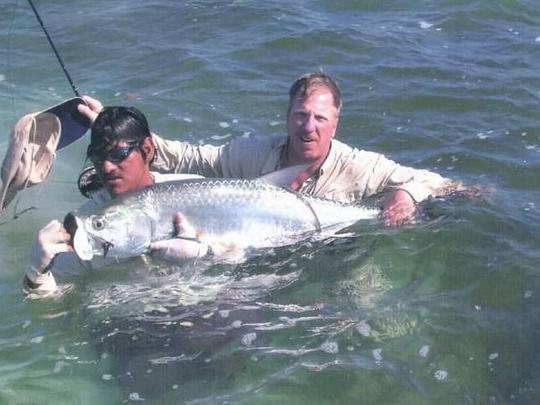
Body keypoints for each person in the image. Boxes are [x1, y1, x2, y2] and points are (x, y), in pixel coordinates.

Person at [79, 72, 464, 226]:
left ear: (335, 122)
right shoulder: (252, 154)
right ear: (288, 116)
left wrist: (407, 194)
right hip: (266, 251)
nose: (308, 127)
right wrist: (121, 141)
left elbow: (435, 181)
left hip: (338, 249)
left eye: (319, 118)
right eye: (300, 115)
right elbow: (192, 157)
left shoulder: (362, 167)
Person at [23, 106, 208, 295]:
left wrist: (208, 255)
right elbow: (51, 305)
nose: (106, 167)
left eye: (117, 154)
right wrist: (36, 274)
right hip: (128, 317)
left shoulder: (201, 194)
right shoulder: (87, 227)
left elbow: (236, 254)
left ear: (148, 149)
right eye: (97, 157)